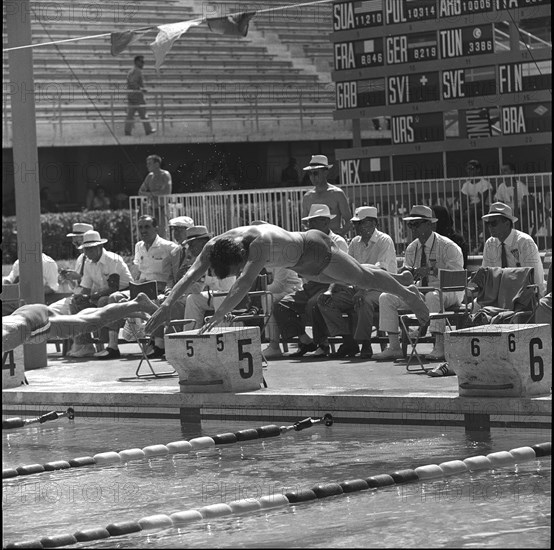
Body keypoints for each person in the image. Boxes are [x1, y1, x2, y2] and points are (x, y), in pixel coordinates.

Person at [145, 220, 429, 339]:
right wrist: (166, 304)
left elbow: (242, 287)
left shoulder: (259, 246)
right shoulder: (212, 248)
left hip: (314, 250)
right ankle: (399, 278)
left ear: (240, 258)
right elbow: (189, 276)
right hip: (302, 266)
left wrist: (218, 315)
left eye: (235, 270)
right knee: (363, 276)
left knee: (363, 279)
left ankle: (409, 293)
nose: (236, 274)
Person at [373, 205, 463, 362]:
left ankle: (439, 346)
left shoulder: (448, 246)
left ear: (429, 224)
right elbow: (410, 278)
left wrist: (431, 271)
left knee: (433, 296)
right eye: (410, 224)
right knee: (386, 297)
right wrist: (406, 274)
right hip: (423, 290)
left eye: (416, 224)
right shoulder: (411, 248)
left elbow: (456, 277)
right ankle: (394, 347)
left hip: (449, 291)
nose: (412, 228)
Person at [317, 206, 398, 360]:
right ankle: (348, 341)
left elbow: (380, 271)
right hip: (359, 287)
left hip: (382, 287)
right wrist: (330, 290)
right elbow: (344, 269)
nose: (356, 227)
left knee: (364, 301)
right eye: (356, 224)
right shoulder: (355, 242)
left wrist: (362, 289)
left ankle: (365, 343)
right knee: (325, 301)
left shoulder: (384, 240)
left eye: (360, 223)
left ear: (373, 223)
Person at [273, 204, 348, 358]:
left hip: (331, 284)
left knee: (314, 303)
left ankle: (323, 344)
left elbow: (342, 273)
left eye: (314, 221)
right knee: (281, 305)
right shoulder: (307, 240)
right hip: (310, 284)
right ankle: (305, 340)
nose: (310, 225)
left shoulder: (337, 241)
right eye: (310, 222)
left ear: (325, 222)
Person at [100, 215, 178, 359]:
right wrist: (135, 286)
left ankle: (159, 346)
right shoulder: (139, 246)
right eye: (140, 227)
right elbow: (139, 272)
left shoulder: (169, 247)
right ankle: (112, 346)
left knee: (155, 300)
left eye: (147, 226)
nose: (143, 230)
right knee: (114, 298)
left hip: (159, 289)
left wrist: (166, 288)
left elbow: (173, 275)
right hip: (141, 288)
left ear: (156, 228)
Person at [2, 293, 158, 354]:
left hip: (35, 323)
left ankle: (138, 303)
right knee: (82, 319)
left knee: (91, 324)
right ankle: (127, 308)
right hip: (26, 314)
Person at [67, 230, 133, 358]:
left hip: (125, 293)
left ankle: (111, 346)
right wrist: (80, 297)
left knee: (103, 300)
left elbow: (114, 288)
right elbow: (86, 288)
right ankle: (85, 345)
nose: (87, 253)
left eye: (90, 249)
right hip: (104, 295)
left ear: (100, 247)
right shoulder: (87, 262)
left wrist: (91, 297)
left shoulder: (112, 259)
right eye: (85, 249)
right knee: (75, 303)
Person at [481, 202, 545, 296]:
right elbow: (485, 275)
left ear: (507, 224)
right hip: (498, 295)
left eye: (493, 223)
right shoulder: (490, 243)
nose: (489, 226)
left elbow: (534, 278)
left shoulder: (525, 242)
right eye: (488, 223)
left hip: (523, 294)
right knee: (474, 307)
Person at [301, 155, 352, 237]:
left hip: (334, 240)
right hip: (315, 241)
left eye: (315, 173)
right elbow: (304, 223)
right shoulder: (307, 197)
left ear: (325, 172)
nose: (312, 177)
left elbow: (349, 221)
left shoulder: (337, 194)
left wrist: (339, 236)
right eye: (310, 173)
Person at [460, 160, 492, 253]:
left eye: (472, 169)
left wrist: (472, 207)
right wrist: (462, 211)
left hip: (485, 208)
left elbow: (483, 201)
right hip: (472, 209)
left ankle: (474, 240)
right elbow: (464, 200)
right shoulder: (466, 184)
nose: (469, 171)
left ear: (478, 170)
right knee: (456, 215)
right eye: (468, 169)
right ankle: (468, 238)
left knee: (471, 212)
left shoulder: (484, 183)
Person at [138, 155, 172, 236]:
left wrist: (151, 193)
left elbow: (167, 191)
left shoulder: (165, 174)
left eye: (149, 163)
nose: (147, 165)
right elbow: (140, 191)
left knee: (163, 232)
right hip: (151, 209)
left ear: (157, 164)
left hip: (163, 208)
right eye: (147, 163)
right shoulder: (149, 176)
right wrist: (151, 194)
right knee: (151, 233)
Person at [124, 55, 155, 136]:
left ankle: (127, 131)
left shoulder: (132, 71)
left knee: (131, 115)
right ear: (137, 62)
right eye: (141, 61)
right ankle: (148, 130)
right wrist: (141, 89)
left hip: (132, 97)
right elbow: (132, 82)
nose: (143, 63)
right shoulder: (137, 71)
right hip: (137, 97)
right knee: (143, 114)